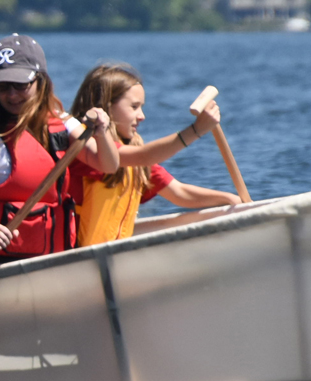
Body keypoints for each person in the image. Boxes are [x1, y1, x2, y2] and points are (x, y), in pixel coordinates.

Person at [0, 34, 120, 264]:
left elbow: (109, 165)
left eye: (21, 85)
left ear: (41, 81)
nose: (11, 95)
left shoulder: (62, 124)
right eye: (2, 86)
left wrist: (102, 131)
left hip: (51, 259)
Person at [68, 63, 241, 246]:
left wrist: (229, 200)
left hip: (111, 253)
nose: (141, 116)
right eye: (134, 107)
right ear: (107, 108)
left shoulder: (133, 154)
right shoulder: (87, 146)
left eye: (141, 107)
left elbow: (179, 192)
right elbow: (145, 156)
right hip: (79, 257)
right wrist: (195, 130)